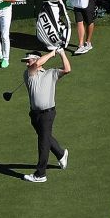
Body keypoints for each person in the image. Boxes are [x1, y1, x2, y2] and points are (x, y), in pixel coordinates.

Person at [22, 48, 70, 184]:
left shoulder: (51, 73)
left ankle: (40, 173)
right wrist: (52, 53)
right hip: (34, 114)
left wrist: (62, 53)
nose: (26, 64)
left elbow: (67, 69)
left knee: (43, 142)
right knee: (46, 137)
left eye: (28, 60)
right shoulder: (28, 73)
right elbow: (35, 66)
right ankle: (61, 154)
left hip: (48, 114)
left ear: (37, 59)